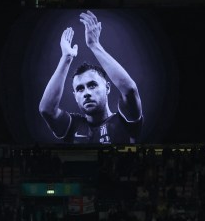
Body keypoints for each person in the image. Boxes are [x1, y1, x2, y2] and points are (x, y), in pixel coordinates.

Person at [38, 11, 143, 144]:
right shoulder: (72, 125)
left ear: (107, 88)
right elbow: (46, 109)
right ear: (75, 96)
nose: (87, 93)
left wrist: (95, 45)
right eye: (80, 89)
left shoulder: (124, 120)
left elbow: (129, 90)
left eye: (92, 85)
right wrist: (66, 58)